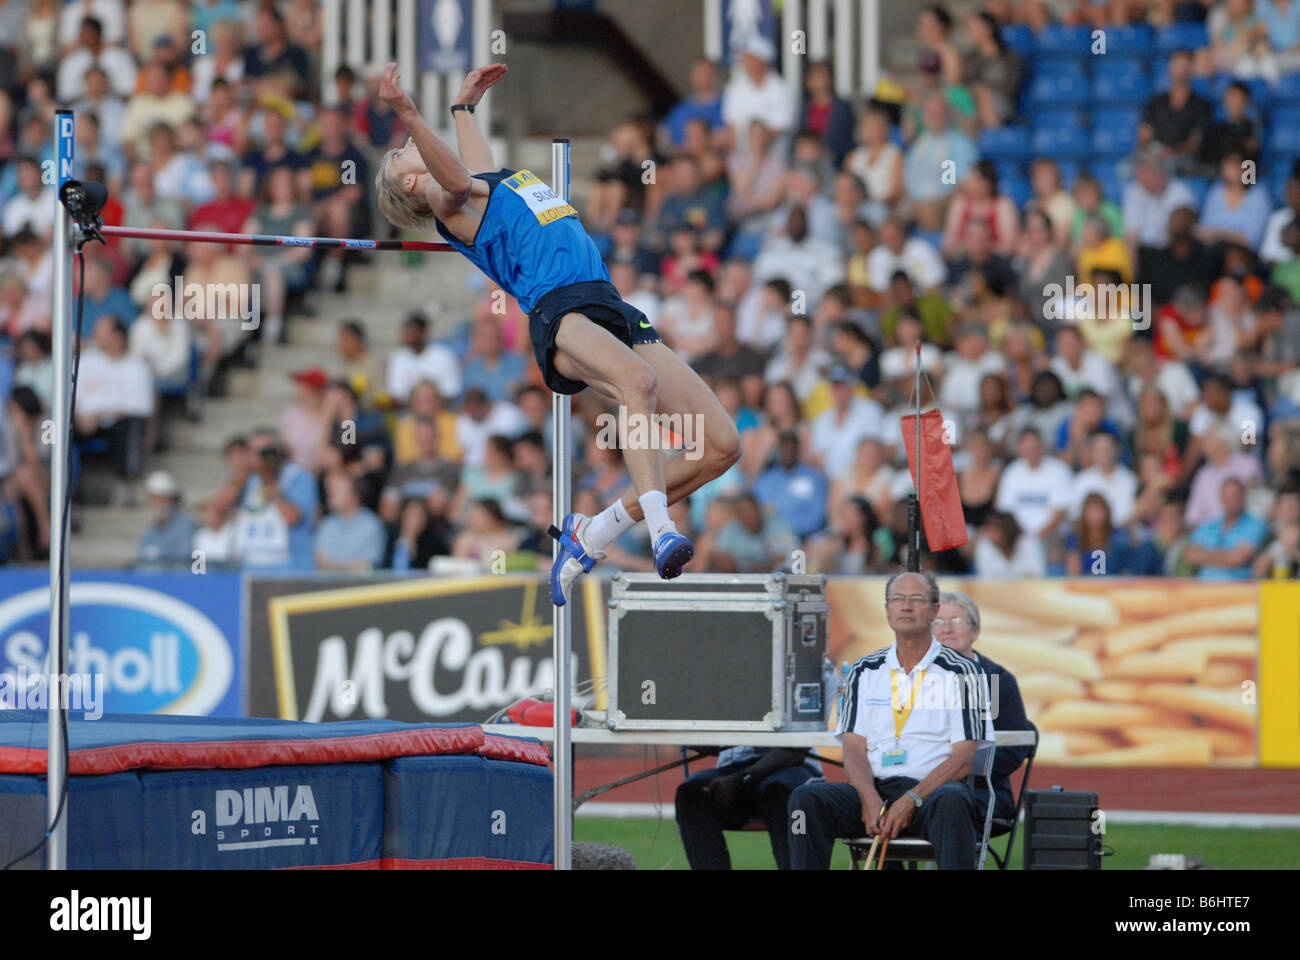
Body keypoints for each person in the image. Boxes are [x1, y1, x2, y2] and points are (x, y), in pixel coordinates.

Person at [373, 63, 739, 605]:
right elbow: (452, 177)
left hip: (608, 300)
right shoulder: (446, 202)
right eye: (404, 151)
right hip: (558, 312)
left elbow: (474, 167)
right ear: (409, 180)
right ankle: (663, 531)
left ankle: (592, 533)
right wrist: (408, 110)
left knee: (722, 446)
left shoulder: (481, 184)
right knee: (636, 384)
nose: (409, 144)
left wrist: (462, 106)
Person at [788, 571, 994, 870]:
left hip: (933, 794)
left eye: (917, 599)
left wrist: (911, 799)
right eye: (897, 599)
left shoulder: (963, 672)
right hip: (877, 791)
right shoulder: (864, 670)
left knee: (953, 800)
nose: (906, 606)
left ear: (935, 610)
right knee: (806, 800)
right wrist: (869, 797)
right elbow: (853, 748)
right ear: (887, 610)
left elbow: (963, 760)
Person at [932, 592, 1033, 824]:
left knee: (946, 800)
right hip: (920, 786)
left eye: (957, 621)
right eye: (937, 622)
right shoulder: (912, 679)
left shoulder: (997, 679)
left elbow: (1013, 750)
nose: (946, 629)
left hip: (983, 790)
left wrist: (958, 769)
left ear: (975, 631)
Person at [675, 745, 822, 870]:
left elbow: (796, 749)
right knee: (691, 793)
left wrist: (744, 777)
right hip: (733, 769)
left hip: (791, 766)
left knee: (778, 791)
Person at [135, 469, 195, 568]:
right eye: (154, 499)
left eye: (163, 498)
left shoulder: (187, 526)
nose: (159, 503)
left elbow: (184, 561)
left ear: (173, 499)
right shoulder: (151, 531)